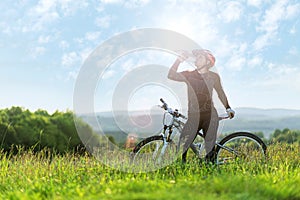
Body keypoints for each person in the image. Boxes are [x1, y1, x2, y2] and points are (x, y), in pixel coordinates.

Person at [168, 49, 235, 163]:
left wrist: (228, 107)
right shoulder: (189, 75)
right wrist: (178, 61)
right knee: (182, 147)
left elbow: (220, 93)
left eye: (200, 57)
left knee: (209, 150)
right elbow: (171, 75)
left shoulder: (214, 77)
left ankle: (211, 171)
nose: (197, 59)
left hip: (210, 116)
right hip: (193, 116)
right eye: (197, 57)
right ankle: (182, 171)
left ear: (208, 62)